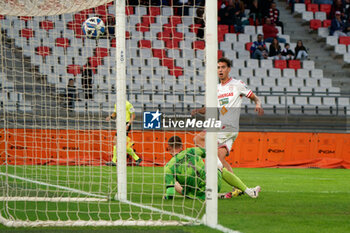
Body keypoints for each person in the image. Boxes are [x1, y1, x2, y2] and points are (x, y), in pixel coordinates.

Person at [191, 57, 264, 176]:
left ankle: (206, 169)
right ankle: (238, 187)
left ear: (228, 69)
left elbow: (254, 97)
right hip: (227, 129)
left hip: (228, 126)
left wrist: (258, 103)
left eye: (223, 67)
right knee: (220, 157)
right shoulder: (216, 89)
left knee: (198, 139)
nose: (220, 70)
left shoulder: (237, 84)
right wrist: (198, 110)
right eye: (218, 68)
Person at [163, 136, 261, 200]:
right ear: (182, 146)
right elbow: (209, 152)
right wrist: (217, 164)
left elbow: (170, 193)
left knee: (175, 183)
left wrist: (167, 197)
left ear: (169, 148)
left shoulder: (168, 167)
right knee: (219, 168)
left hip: (193, 194)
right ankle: (250, 192)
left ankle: (201, 194)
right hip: (211, 187)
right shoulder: (192, 151)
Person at [105, 100, 142, 166]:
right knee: (122, 144)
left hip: (126, 124)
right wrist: (110, 117)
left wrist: (128, 125)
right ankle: (137, 158)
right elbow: (114, 113)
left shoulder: (128, 104)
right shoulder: (117, 103)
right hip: (120, 124)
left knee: (116, 141)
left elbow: (133, 115)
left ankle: (113, 161)